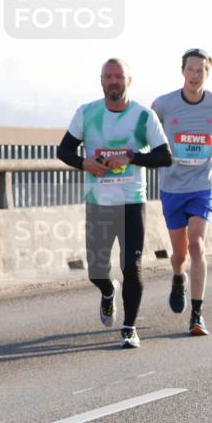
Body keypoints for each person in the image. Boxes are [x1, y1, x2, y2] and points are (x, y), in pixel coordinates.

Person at [56, 59, 172, 348]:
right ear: (101, 81)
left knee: (131, 266)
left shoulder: (144, 116)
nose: (113, 81)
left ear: (128, 80)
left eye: (118, 76)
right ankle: (108, 292)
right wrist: (85, 163)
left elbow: (164, 157)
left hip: (132, 203)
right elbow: (64, 150)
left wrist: (130, 157)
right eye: (108, 76)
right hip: (98, 203)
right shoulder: (87, 113)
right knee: (96, 270)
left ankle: (129, 327)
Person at [152, 48, 212, 336]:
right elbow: (147, 128)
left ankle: (197, 315)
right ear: (182, 72)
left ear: (207, 73)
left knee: (196, 243)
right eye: (190, 69)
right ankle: (178, 277)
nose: (194, 75)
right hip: (172, 186)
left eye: (200, 70)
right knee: (179, 254)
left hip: (203, 184)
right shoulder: (164, 104)